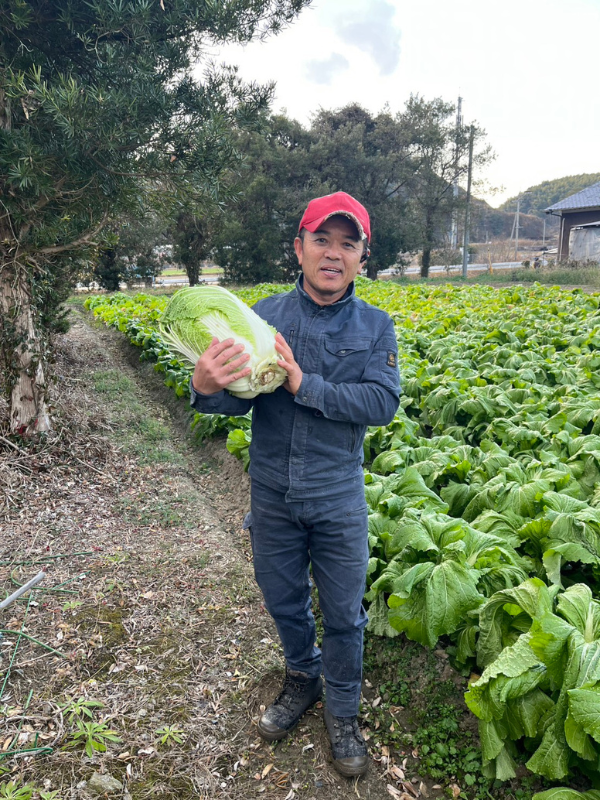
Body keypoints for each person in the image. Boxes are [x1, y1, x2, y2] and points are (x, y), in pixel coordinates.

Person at [190, 192, 400, 777]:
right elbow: (230, 403)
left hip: (338, 497)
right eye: (322, 240)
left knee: (343, 613)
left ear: (362, 257)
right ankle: (301, 677)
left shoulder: (375, 326)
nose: (333, 254)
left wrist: (305, 385)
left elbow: (381, 403)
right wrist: (206, 384)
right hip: (274, 496)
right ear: (299, 248)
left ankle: (342, 708)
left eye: (347, 243)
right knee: (283, 601)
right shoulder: (261, 317)